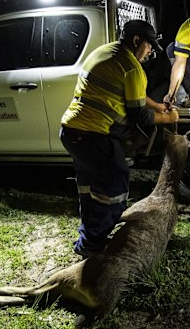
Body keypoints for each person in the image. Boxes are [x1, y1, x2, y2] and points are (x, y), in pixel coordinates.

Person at [59, 19, 179, 258]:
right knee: (113, 190)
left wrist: (157, 105)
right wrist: (168, 117)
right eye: (148, 46)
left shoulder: (105, 52)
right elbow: (139, 116)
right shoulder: (132, 67)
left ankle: (87, 240)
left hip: (71, 131)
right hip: (94, 135)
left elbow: (132, 94)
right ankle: (94, 247)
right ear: (136, 40)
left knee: (88, 188)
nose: (150, 52)